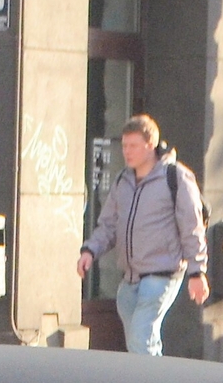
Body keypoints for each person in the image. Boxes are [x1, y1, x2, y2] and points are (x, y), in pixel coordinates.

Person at [77, 114, 209, 356]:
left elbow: (193, 227)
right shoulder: (122, 180)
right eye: (125, 146)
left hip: (162, 274)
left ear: (150, 145)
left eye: (133, 146)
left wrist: (197, 272)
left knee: (141, 338)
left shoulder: (176, 177)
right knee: (141, 343)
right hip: (130, 279)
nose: (127, 152)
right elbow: (108, 225)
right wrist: (90, 250)